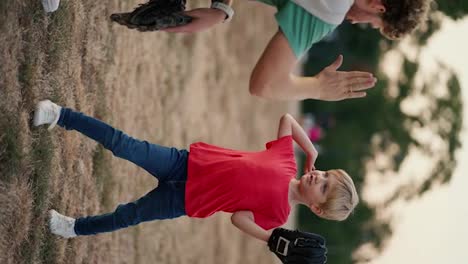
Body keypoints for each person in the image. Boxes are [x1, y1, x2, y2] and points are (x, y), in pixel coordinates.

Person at [33, 100, 358, 243]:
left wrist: (270, 238)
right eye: (326, 175)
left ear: (316, 207)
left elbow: (238, 219)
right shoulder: (288, 159)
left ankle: (74, 228)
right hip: (185, 162)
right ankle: (61, 115)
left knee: (128, 215)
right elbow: (287, 118)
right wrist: (311, 150)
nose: (320, 177)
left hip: (185, 200)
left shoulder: (278, 215)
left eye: (325, 188)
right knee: (122, 144)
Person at [41, 0, 431, 101]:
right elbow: (264, 85)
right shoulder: (329, 9)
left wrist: (222, 9)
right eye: (373, 22)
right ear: (379, 7)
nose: (358, 22)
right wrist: (315, 87)